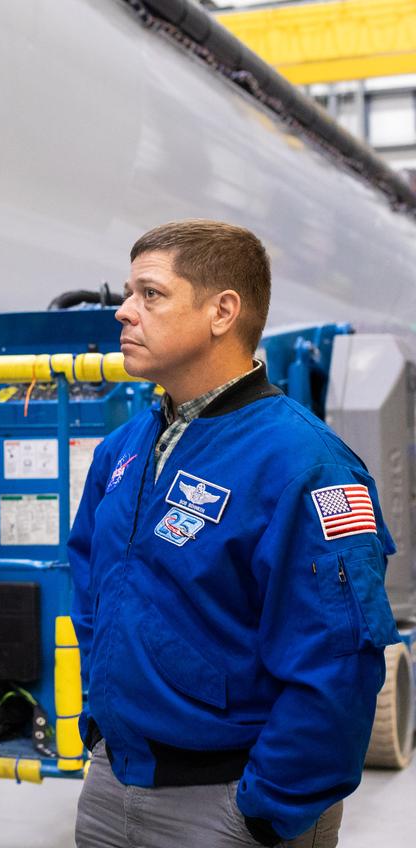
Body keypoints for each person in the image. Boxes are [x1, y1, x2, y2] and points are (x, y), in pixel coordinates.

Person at [69, 219, 402, 847]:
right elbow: (92, 586)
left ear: (223, 311)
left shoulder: (307, 465)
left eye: (151, 294)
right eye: (128, 293)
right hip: (113, 785)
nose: (124, 313)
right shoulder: (125, 449)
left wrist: (266, 812)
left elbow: (339, 660)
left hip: (228, 805)